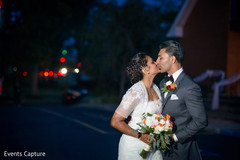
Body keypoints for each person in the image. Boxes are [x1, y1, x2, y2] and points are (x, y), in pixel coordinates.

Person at [155, 40, 208, 160]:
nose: (157, 61)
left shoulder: (190, 87)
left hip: (182, 151)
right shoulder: (163, 82)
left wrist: (175, 137)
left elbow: (201, 121)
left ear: (172, 59)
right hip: (161, 150)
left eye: (160, 58)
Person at [111, 53, 163, 160]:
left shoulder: (156, 88)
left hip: (153, 146)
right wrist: (141, 136)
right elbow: (115, 121)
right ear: (145, 70)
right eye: (153, 62)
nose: (157, 63)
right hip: (133, 147)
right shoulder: (135, 92)